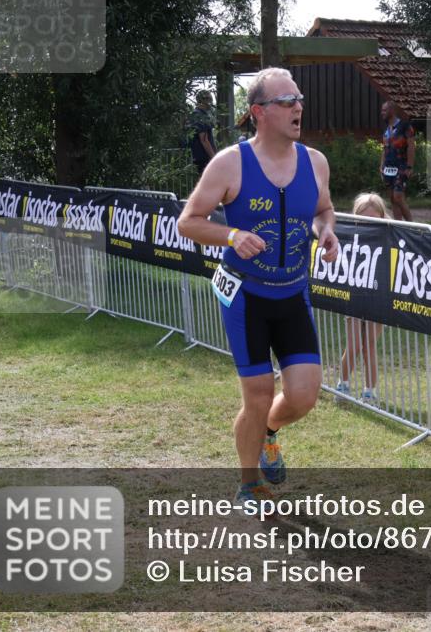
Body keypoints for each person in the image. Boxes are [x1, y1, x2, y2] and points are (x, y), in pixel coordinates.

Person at [177, 67, 339, 505]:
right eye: (286, 101)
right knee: (258, 392)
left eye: (298, 99)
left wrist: (327, 231)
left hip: (292, 291)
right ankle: (249, 481)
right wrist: (231, 235)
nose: (298, 107)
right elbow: (188, 222)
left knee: (304, 396)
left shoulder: (314, 162)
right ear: (259, 112)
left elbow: (324, 209)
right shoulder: (231, 163)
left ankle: (269, 430)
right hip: (246, 295)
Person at [337, 193, 388, 400]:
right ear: (356, 218)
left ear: (382, 218)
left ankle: (370, 392)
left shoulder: (388, 237)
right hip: (354, 298)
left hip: (377, 300)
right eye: (364, 219)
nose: (369, 223)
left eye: (374, 219)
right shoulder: (349, 237)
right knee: (355, 345)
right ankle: (342, 385)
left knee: (369, 346)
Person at [379, 101, 415, 222]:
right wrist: (381, 165)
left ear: (392, 111)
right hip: (388, 167)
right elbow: (385, 148)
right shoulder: (386, 130)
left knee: (398, 196)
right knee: (392, 199)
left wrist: (409, 166)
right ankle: (397, 225)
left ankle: (411, 225)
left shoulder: (405, 126)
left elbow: (411, 146)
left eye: (384, 110)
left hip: (401, 166)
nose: (382, 113)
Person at [190, 90, 218, 176]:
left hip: (203, 158)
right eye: (210, 99)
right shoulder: (199, 115)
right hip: (204, 158)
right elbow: (204, 140)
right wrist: (214, 158)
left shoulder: (199, 114)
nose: (211, 102)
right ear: (203, 100)